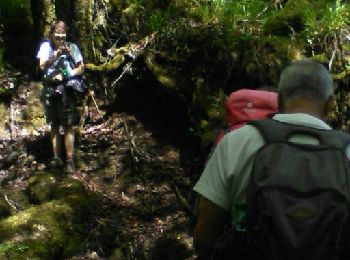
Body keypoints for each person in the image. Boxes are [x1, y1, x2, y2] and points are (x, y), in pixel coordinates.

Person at [193, 60, 348, 258]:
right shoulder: (347, 151)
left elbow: (204, 237)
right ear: (330, 104)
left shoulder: (236, 142)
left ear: (280, 99)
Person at [36, 20, 85, 173]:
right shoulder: (46, 47)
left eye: (62, 35)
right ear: (51, 34)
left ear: (66, 34)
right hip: (50, 90)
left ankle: (69, 160)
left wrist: (69, 73)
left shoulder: (72, 47)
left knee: (69, 126)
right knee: (54, 125)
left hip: (66, 90)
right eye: (57, 35)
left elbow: (81, 68)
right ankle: (56, 157)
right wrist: (55, 56)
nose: (60, 38)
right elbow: (42, 66)